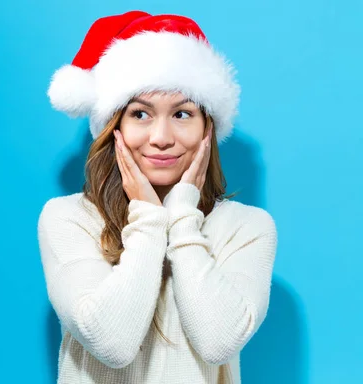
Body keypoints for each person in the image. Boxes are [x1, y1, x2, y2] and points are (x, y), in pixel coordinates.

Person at [37, 10, 277, 384]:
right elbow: (111, 343)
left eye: (182, 114)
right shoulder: (68, 218)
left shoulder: (247, 228)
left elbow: (218, 343)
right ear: (114, 126)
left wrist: (182, 215)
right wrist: (149, 218)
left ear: (206, 130)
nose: (162, 137)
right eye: (141, 114)